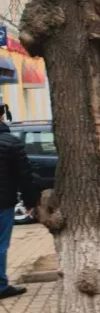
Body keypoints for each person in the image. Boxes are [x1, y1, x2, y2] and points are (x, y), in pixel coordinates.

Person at [0, 104, 38, 299]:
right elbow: (25, 176)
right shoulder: (11, 143)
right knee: (1, 245)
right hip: (3, 203)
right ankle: (1, 285)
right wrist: (30, 201)